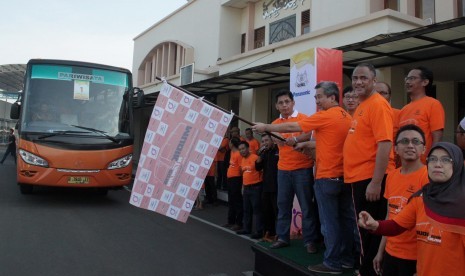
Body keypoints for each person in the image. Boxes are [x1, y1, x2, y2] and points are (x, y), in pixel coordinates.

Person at [254, 82, 356, 274]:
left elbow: (297, 126)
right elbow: (322, 140)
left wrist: (265, 126)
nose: (316, 100)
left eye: (319, 97)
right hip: (343, 176)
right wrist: (303, 143)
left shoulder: (323, 116)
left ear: (332, 97)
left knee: (330, 222)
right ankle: (346, 259)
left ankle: (332, 262)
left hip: (326, 176)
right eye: (315, 97)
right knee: (343, 221)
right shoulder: (345, 115)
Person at [358, 142, 465, 276]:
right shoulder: (420, 198)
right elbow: (397, 226)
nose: (438, 164)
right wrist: (374, 225)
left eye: (445, 160)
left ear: (458, 165)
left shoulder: (462, 205)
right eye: (432, 159)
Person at [253, 90, 319, 254]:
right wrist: (279, 137)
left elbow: (308, 134)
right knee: (283, 206)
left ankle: (310, 240)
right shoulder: (274, 123)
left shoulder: (303, 118)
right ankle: (282, 237)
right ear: (276, 106)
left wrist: (293, 139)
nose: (284, 105)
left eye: (287, 102)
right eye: (280, 103)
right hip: (283, 170)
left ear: (293, 103)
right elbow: (276, 139)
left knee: (306, 207)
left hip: (303, 169)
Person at [344, 63, 394, 276]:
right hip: (360, 178)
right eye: (355, 78)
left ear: (374, 80)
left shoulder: (377, 105)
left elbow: (385, 144)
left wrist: (375, 181)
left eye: (363, 78)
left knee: (369, 230)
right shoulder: (362, 105)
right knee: (366, 231)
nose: (358, 82)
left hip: (370, 179)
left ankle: (368, 272)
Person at [373, 124, 429, 276]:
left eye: (416, 142)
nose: (410, 145)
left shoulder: (428, 178)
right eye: (404, 141)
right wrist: (380, 251)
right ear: (395, 149)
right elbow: (390, 214)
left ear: (423, 149)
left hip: (415, 258)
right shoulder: (392, 175)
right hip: (391, 253)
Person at [399, 66, 445, 163]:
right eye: (407, 78)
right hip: (404, 166)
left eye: (412, 78)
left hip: (423, 164)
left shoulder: (433, 104)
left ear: (425, 82)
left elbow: (437, 137)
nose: (407, 82)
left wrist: (432, 160)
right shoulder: (403, 110)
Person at [236, 141, 264, 239]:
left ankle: (259, 231)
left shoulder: (255, 157)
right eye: (240, 149)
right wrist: (243, 187)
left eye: (243, 148)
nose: (242, 151)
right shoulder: (242, 160)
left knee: (257, 210)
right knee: (246, 210)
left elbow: (262, 171)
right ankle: (246, 228)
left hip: (256, 187)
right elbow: (244, 174)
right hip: (246, 188)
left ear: (248, 148)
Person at [255, 133, 279, 242]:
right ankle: (268, 233)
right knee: (266, 211)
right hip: (266, 187)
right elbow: (258, 168)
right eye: (263, 141)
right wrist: (258, 157)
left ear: (272, 141)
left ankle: (279, 235)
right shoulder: (264, 153)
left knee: (277, 211)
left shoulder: (278, 151)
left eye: (266, 140)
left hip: (277, 187)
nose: (264, 143)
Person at [223, 137, 243, 231]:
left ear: (232, 144)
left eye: (230, 143)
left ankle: (239, 223)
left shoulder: (239, 154)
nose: (229, 144)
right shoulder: (232, 152)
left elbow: (241, 167)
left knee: (237, 201)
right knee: (231, 200)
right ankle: (230, 221)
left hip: (236, 179)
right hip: (230, 179)